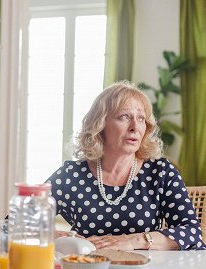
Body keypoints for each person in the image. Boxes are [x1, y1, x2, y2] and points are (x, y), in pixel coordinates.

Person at [46, 81, 205, 251]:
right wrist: (52, 234)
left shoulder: (160, 172)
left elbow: (191, 232)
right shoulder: (71, 174)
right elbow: (17, 222)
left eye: (141, 118)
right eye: (124, 117)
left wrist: (133, 241)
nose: (135, 127)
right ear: (100, 124)